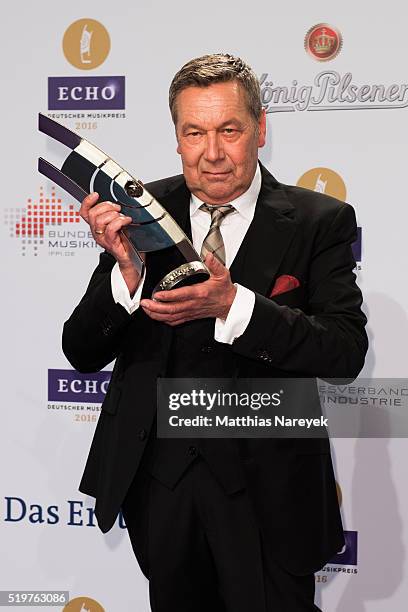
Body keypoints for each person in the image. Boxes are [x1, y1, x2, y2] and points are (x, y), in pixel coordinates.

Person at [62, 53, 368, 612]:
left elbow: (345, 348)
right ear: (177, 137)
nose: (212, 153)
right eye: (194, 132)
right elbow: (80, 352)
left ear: (260, 128)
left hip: (271, 494)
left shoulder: (318, 220)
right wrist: (125, 279)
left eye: (230, 130)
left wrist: (235, 304)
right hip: (162, 486)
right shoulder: (139, 213)